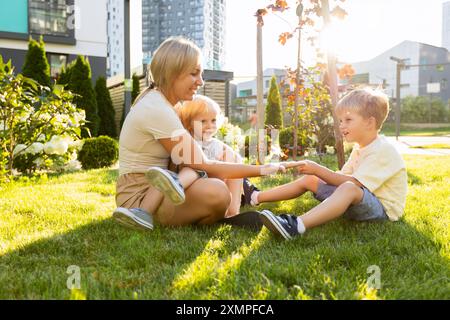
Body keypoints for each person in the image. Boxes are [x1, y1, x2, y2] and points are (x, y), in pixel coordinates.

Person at [112, 36, 297, 231]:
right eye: (194, 74)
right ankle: (146, 214)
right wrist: (266, 168)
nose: (200, 81)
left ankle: (228, 213)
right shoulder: (158, 108)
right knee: (218, 192)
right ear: (172, 73)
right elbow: (203, 163)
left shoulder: (165, 104)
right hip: (138, 196)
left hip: (159, 188)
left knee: (217, 171)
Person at [256, 88, 408, 240]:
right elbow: (342, 176)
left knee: (349, 187)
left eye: (348, 120)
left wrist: (318, 169)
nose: (341, 125)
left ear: (369, 123)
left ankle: (296, 225)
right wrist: (314, 171)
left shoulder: (382, 150)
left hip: (382, 210)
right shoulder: (360, 147)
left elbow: (353, 183)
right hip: (359, 199)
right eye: (341, 120)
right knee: (311, 180)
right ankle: (256, 197)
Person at [176, 94, 260, 217]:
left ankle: (233, 212)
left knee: (235, 164)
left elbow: (231, 157)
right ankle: (177, 185)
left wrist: (233, 157)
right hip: (199, 187)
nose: (210, 125)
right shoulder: (190, 141)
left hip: (216, 184)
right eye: (203, 121)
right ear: (189, 123)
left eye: (213, 120)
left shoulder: (215, 143)